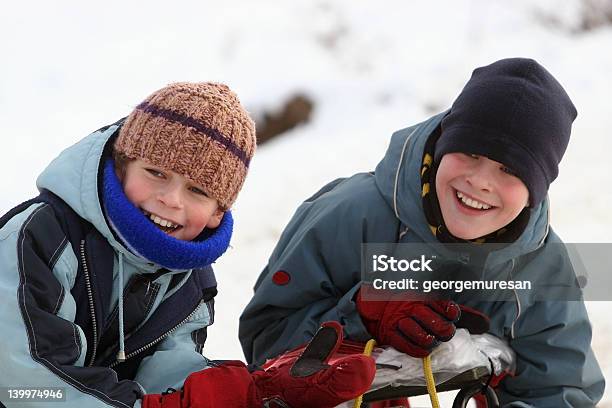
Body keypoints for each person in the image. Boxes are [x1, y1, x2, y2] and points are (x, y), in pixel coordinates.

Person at [239, 58, 606, 406]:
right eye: (470, 154)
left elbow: (560, 390)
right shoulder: (350, 213)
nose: (479, 181)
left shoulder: (543, 265)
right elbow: (264, 346)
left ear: (537, 189)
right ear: (443, 142)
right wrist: (360, 317)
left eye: (510, 170)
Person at [0, 82, 375, 408]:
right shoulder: (37, 238)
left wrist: (253, 393)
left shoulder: (189, 280)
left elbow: (171, 374)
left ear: (217, 212)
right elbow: (27, 383)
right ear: (122, 165)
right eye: (156, 173)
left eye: (197, 190)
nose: (171, 199)